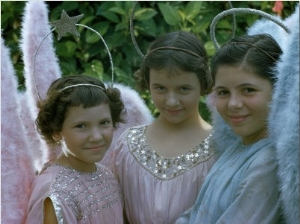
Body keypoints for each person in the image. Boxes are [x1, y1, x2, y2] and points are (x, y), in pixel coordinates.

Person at [105, 31, 216, 223]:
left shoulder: (218, 149)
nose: (171, 101)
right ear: (148, 84)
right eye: (161, 88)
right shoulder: (128, 146)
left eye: (184, 89)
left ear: (203, 84)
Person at [176, 34, 283, 224]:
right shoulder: (239, 147)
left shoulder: (267, 163)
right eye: (223, 92)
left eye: (248, 90)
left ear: (277, 90)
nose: (233, 104)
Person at [26, 75, 125, 224]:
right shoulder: (56, 192)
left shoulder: (106, 175)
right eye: (81, 126)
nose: (96, 136)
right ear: (56, 131)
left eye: (104, 122)